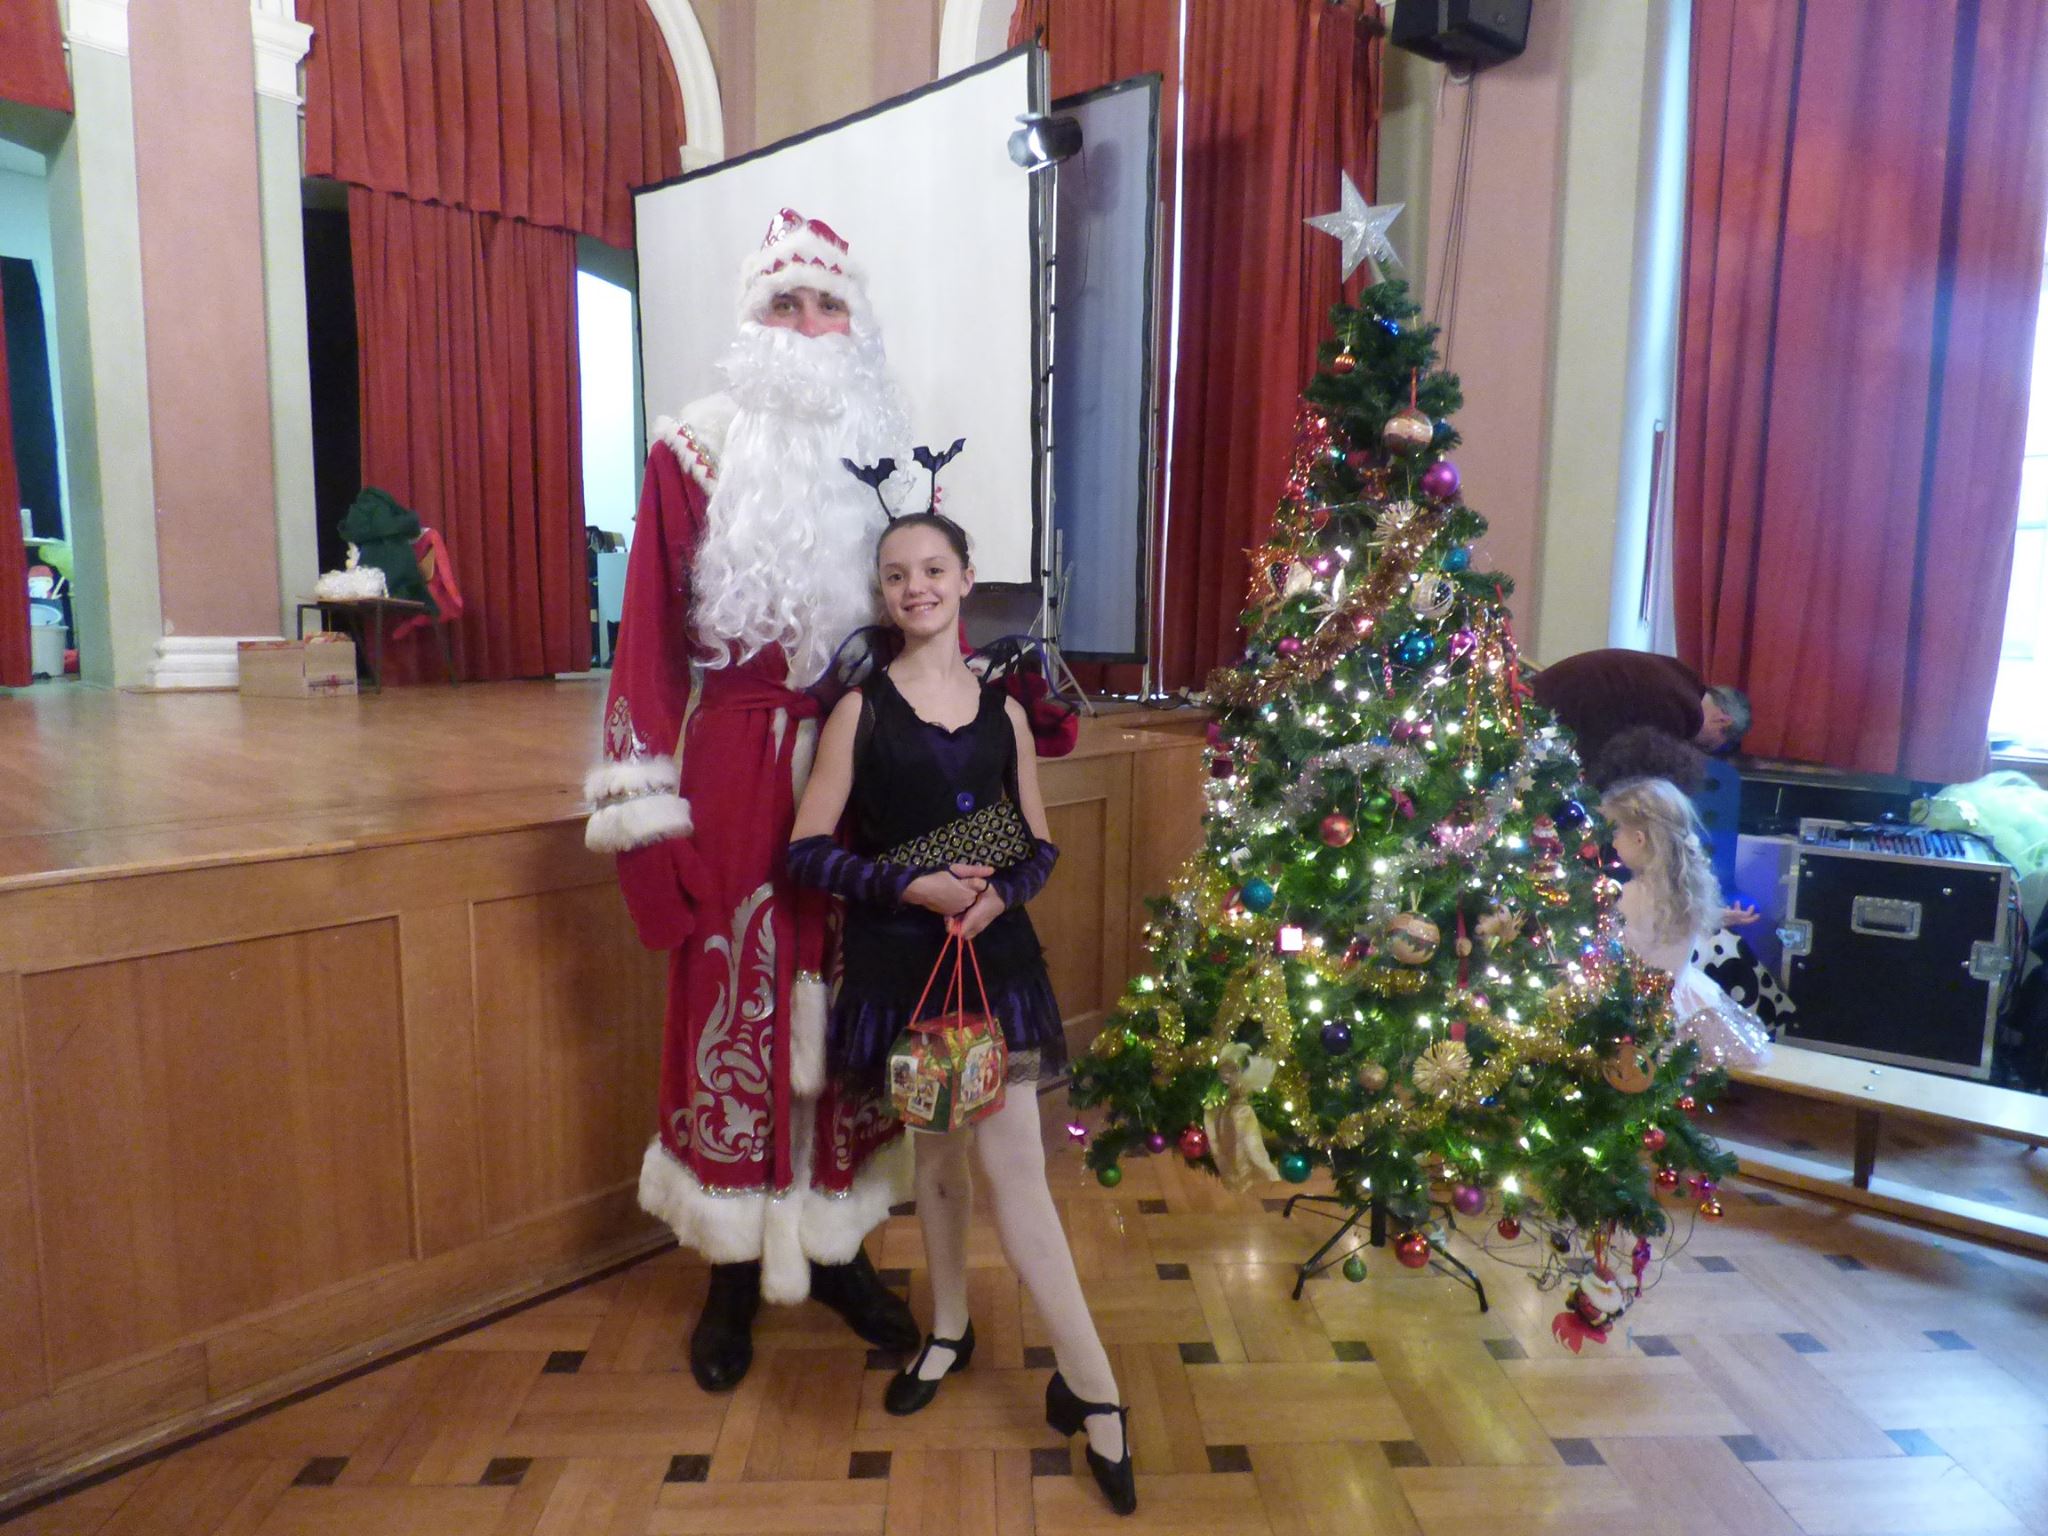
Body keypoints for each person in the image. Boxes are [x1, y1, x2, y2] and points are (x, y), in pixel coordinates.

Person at [583, 209, 922, 1393]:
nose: (807, 324)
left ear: (852, 324)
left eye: (827, 304)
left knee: (855, 997)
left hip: (866, 770)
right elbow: (644, 646)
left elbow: (922, 623)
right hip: (733, 768)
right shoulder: (692, 450)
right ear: (752, 320)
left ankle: (836, 1247)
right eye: (785, 303)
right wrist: (641, 812)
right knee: (731, 1002)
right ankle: (730, 1266)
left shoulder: (887, 455)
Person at [786, 513, 1137, 1518]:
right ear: (883, 591)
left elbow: (1037, 844)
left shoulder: (1006, 713)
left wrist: (991, 898)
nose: (917, 587)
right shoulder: (859, 713)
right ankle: (948, 1329)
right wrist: (915, 886)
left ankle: (1093, 1387)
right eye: (897, 574)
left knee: (1015, 1176)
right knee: (935, 1161)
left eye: (933, 569)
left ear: (967, 578)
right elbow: (807, 850)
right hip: (904, 970)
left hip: (994, 967)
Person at [1600, 777, 1772, 1070]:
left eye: (1617, 831)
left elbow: (1619, 954)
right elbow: (1672, 922)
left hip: (1644, 1009)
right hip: (1686, 999)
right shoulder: (1685, 888)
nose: (1613, 841)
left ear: (1639, 839)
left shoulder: (1631, 896)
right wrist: (1721, 915)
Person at [1529, 648, 1750, 790]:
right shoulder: (1684, 713)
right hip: (1549, 721)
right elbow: (1634, 774)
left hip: (1538, 696)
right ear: (1723, 721)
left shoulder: (1679, 676)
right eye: (1709, 745)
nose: (1698, 747)